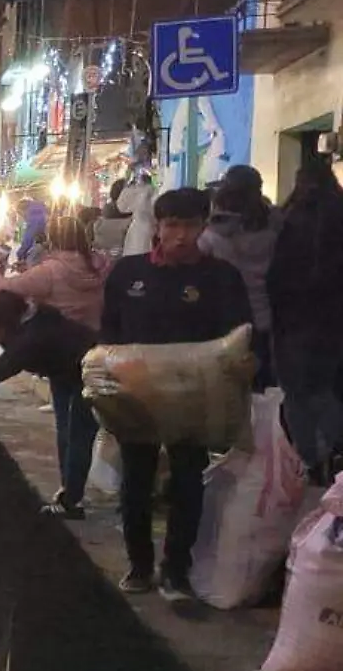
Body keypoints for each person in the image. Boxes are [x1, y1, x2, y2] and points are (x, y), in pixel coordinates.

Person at [101, 187, 252, 600]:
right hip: (138, 398)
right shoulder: (128, 274)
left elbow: (237, 337)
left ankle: (176, 570)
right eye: (172, 226)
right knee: (136, 482)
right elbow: (109, 335)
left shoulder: (221, 278)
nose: (181, 236)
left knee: (188, 482)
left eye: (190, 225)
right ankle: (139, 565)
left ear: (204, 225)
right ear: (158, 226)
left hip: (193, 402)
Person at [0, 291, 100, 519]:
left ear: (2, 324)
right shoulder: (37, 320)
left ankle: (72, 500)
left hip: (87, 374)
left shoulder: (31, 337)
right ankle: (69, 491)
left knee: (77, 436)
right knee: (66, 432)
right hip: (64, 372)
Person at [268, 159, 343, 482]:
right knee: (324, 389)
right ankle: (336, 452)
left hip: (292, 321)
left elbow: (275, 276)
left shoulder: (289, 219)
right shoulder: (338, 215)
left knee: (297, 393)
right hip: (333, 321)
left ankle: (310, 459)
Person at [200, 164, 280, 389]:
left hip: (225, 316)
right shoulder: (274, 225)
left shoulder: (213, 231)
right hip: (265, 315)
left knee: (228, 384)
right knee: (262, 383)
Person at [0, 215, 109, 332]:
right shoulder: (99, 263)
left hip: (58, 339)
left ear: (52, 239)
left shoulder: (49, 271)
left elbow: (5, 286)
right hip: (93, 336)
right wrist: (30, 270)